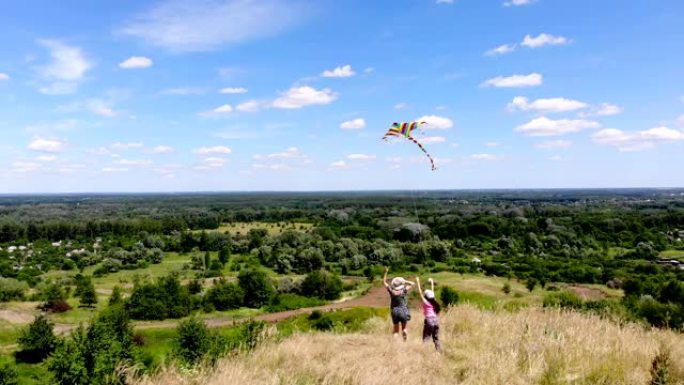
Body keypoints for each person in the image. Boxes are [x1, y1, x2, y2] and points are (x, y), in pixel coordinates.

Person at [383, 266, 414, 340]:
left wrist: (386, 272)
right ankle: (404, 334)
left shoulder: (391, 291)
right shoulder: (403, 290)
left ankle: (394, 343)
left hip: (394, 311)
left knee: (396, 330)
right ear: (401, 285)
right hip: (403, 310)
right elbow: (413, 284)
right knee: (404, 328)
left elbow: (384, 282)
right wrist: (404, 281)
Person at [416, 276, 441, 351]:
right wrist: (432, 282)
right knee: (436, 338)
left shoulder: (425, 302)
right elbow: (432, 291)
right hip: (436, 321)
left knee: (426, 338)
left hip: (429, 321)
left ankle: (424, 353)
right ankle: (438, 351)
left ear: (426, 296)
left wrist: (417, 281)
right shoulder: (434, 301)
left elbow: (420, 292)